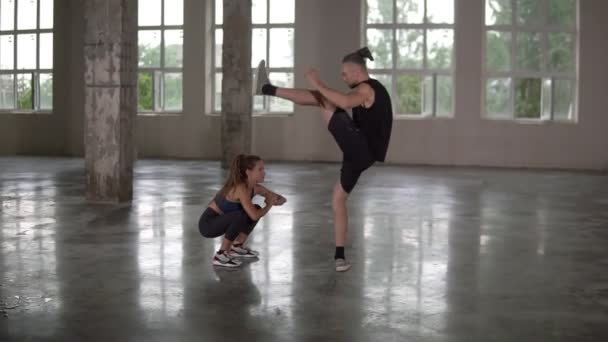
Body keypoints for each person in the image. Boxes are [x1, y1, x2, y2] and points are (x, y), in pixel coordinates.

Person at [254, 47, 393, 272]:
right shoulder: (369, 88)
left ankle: (266, 88)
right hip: (359, 155)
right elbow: (346, 102)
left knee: (322, 97)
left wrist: (318, 82)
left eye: (345, 73)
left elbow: (347, 103)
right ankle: (340, 257)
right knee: (338, 199)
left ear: (357, 71)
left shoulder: (367, 88)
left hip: (360, 147)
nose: (342, 77)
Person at [198, 154, 286, 267]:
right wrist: (269, 204)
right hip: (208, 225)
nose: (264, 172)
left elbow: (280, 199)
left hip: (222, 221)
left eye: (263, 169)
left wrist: (276, 198)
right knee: (244, 214)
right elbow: (254, 216)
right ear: (248, 172)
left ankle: (237, 246)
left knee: (255, 208)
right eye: (260, 169)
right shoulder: (240, 188)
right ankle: (221, 254)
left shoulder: (255, 188)